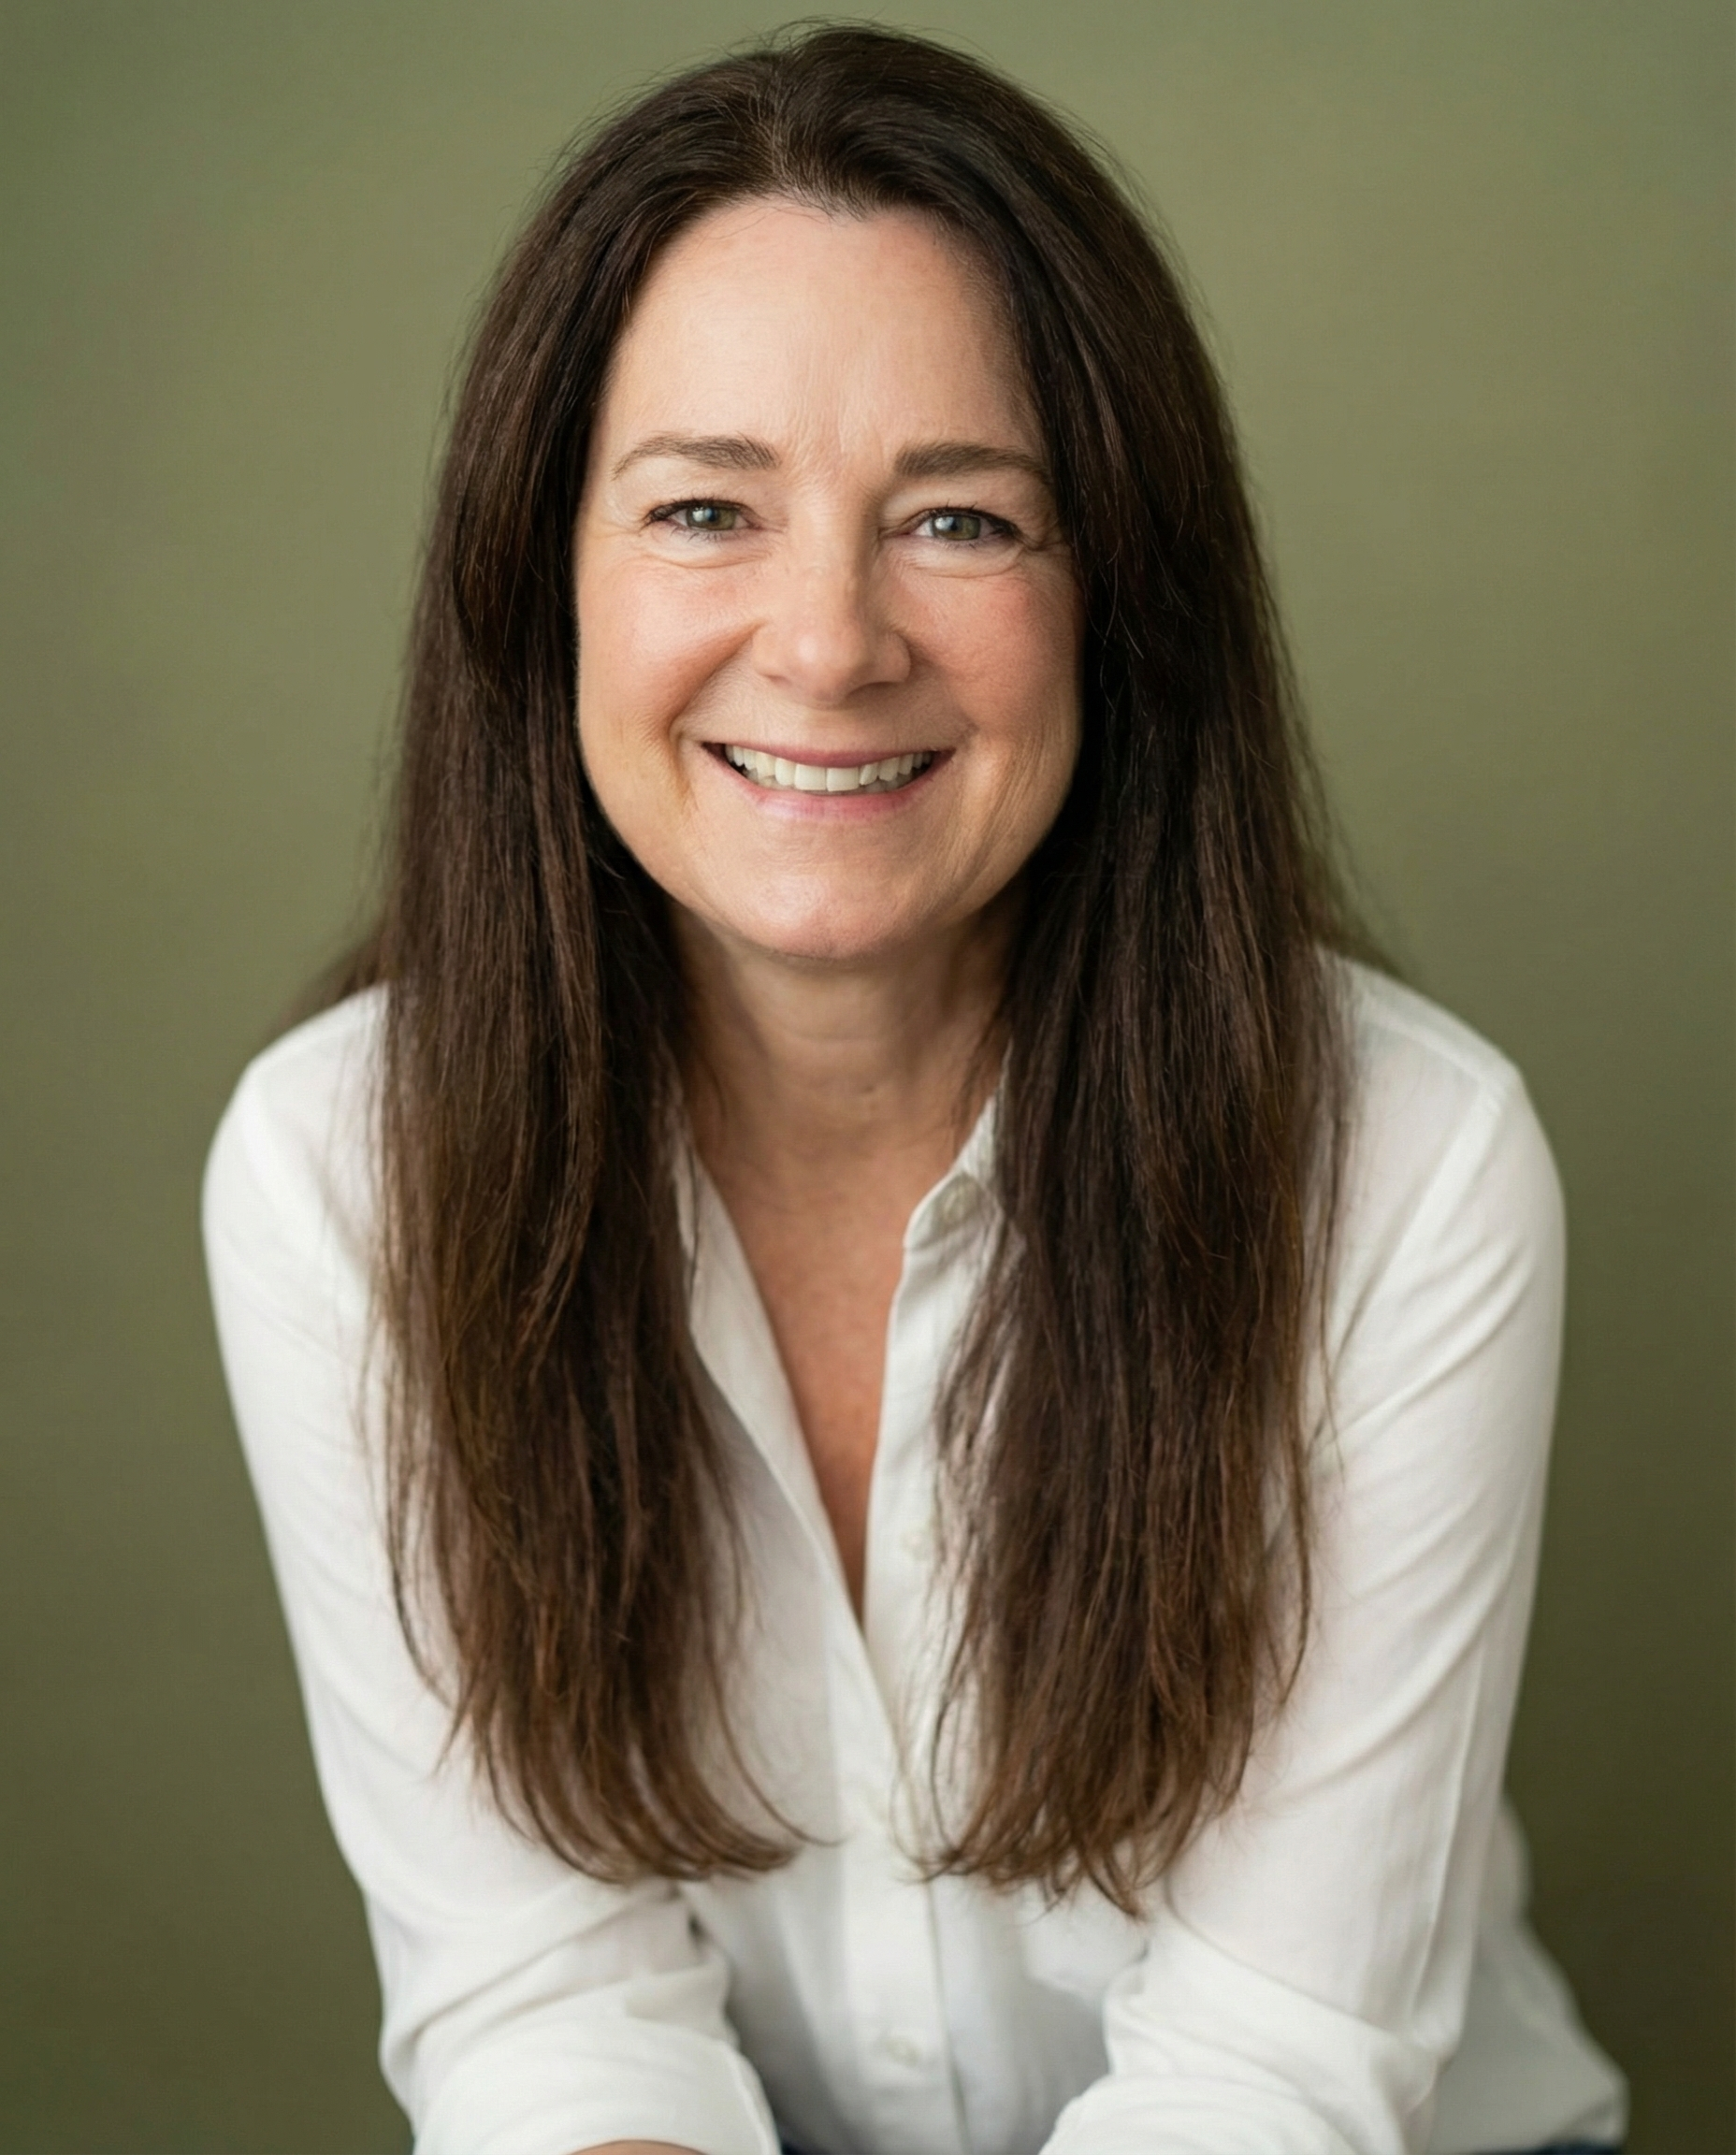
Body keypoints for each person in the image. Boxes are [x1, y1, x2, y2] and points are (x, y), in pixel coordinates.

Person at [203, 25, 1628, 2155]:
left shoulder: (1415, 1168)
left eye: (960, 517)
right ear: (541, 578)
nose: (826, 641)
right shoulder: (338, 1174)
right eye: (704, 509)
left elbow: (1263, 2077)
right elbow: (551, 2019)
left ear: (1117, 604)